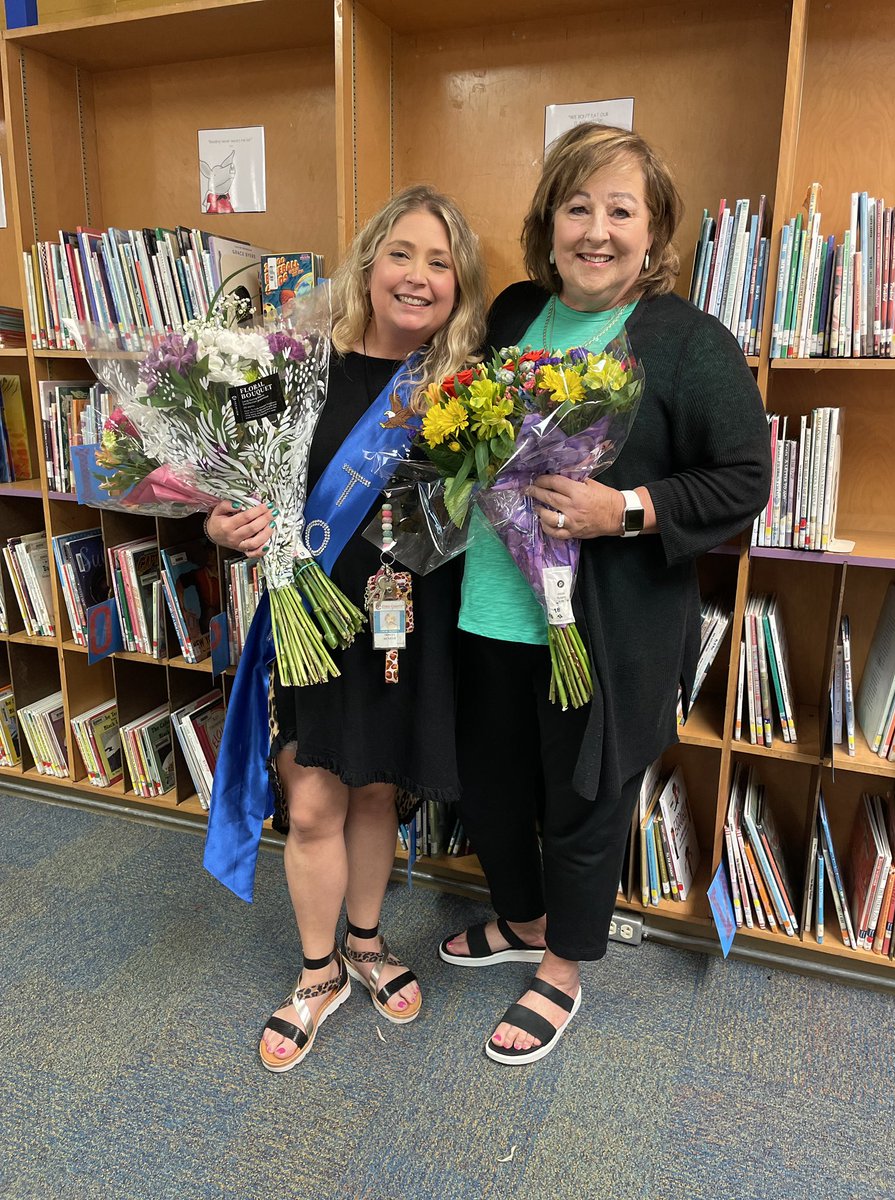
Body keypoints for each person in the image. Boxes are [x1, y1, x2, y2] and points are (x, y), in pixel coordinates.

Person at [441, 123, 772, 1064]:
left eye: (620, 210)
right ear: (548, 226)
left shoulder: (686, 342)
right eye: (576, 207)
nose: (596, 230)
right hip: (488, 614)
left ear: (653, 230)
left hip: (603, 631)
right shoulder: (509, 314)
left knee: (584, 799)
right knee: (494, 790)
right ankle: (523, 921)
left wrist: (622, 508)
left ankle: (565, 966)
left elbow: (746, 479)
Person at [205, 185, 486, 1072]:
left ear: (459, 288)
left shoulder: (461, 389)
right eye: (403, 253)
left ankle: (368, 942)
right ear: (369, 264)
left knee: (377, 790)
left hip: (408, 624)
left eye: (442, 264)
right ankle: (319, 970)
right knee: (317, 798)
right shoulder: (293, 367)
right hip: (312, 614)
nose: (419, 276)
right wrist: (220, 522)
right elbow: (225, 476)